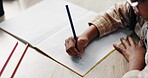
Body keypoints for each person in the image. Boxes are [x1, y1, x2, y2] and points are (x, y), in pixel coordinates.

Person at [65, 0, 148, 77]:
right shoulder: (139, 9)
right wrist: (86, 36)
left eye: (135, 1)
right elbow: (121, 12)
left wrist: (136, 61)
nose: (131, 5)